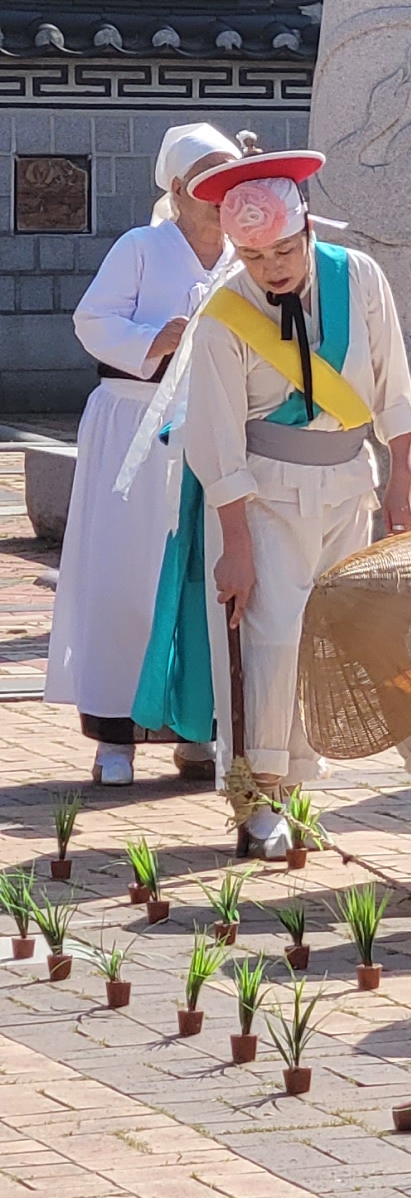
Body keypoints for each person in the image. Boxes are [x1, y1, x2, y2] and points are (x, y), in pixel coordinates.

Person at [131, 147, 411, 838]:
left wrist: (402, 477)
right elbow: (215, 439)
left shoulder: (359, 277)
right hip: (264, 497)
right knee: (268, 638)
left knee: (321, 639)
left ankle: (292, 787)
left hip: (348, 484)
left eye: (285, 250)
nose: (273, 268)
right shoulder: (225, 312)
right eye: (254, 257)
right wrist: (235, 545)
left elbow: (393, 382)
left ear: (308, 227)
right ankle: (255, 795)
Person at [49, 122, 238, 786]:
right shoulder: (140, 246)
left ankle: (196, 729)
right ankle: (115, 737)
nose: (222, 197)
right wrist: (155, 339)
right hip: (133, 422)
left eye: (231, 182)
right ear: (179, 189)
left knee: (202, 577)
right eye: (209, 183)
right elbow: (91, 320)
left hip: (211, 427)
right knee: (125, 575)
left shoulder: (244, 258)